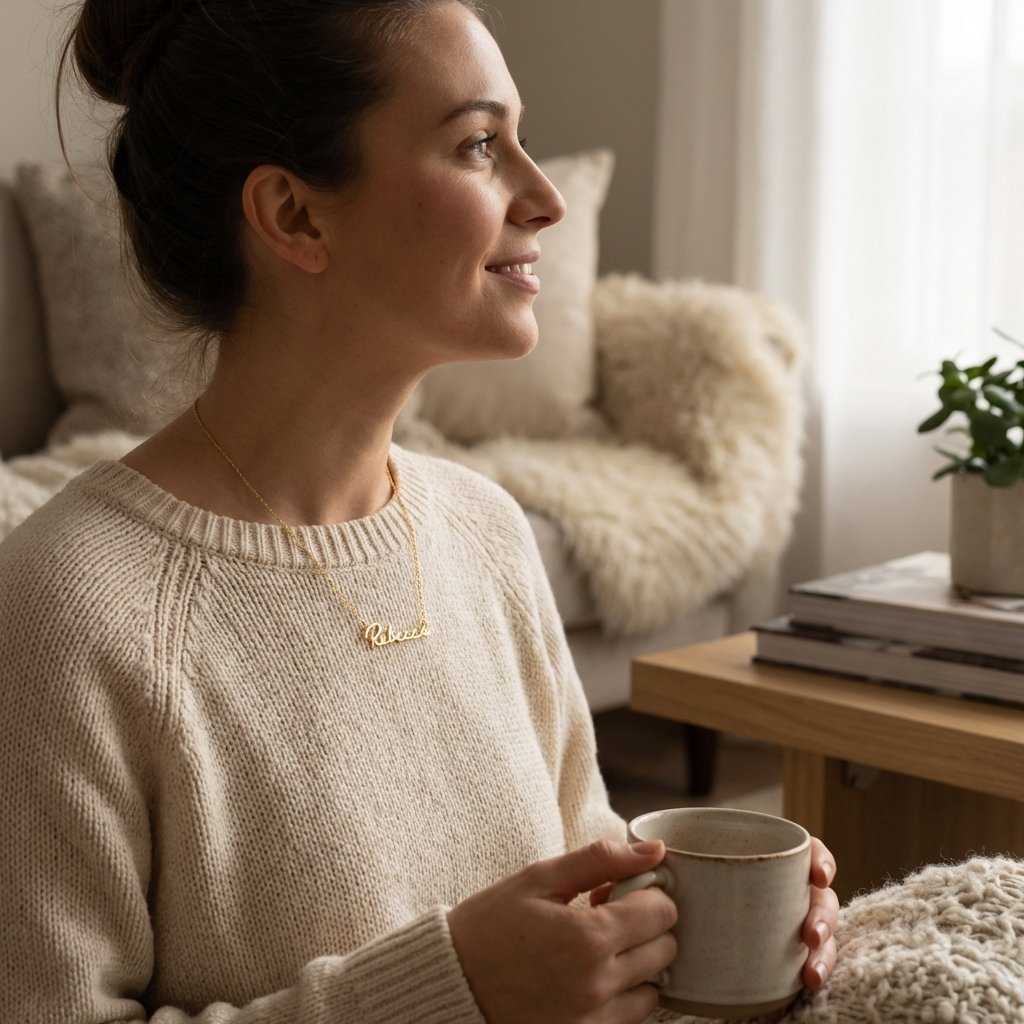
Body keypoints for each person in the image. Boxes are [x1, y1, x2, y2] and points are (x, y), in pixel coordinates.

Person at [0, 1, 839, 1021]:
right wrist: (447, 994)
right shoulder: (68, 607)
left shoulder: (486, 532)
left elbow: (578, 867)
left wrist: (681, 923)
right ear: (295, 216)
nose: (543, 197)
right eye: (481, 144)